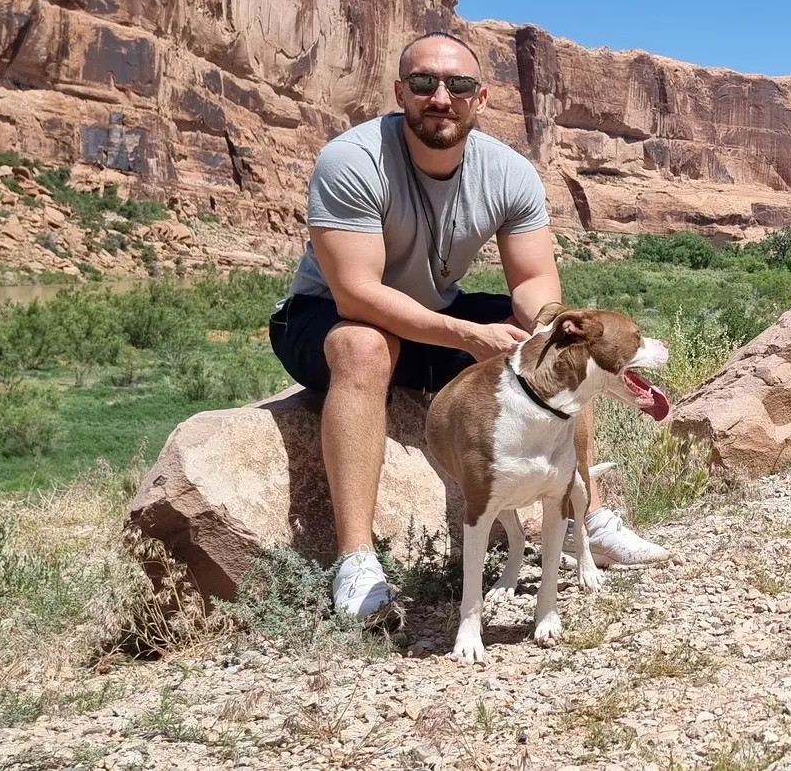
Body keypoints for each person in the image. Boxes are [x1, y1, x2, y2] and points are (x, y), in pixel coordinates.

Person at [268, 31, 671, 619]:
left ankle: (585, 518)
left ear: (480, 97)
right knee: (364, 346)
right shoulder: (352, 160)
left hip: (433, 310)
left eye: (457, 85)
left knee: (568, 350)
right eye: (424, 83)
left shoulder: (508, 172)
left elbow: (534, 282)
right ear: (400, 91)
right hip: (326, 315)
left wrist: (547, 330)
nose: (441, 97)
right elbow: (357, 292)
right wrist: (466, 335)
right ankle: (356, 562)